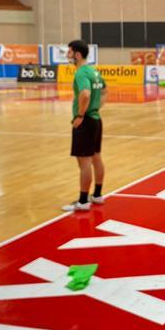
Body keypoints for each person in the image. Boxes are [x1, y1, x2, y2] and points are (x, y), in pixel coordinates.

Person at [63, 40, 106, 212]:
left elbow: (85, 93)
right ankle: (97, 195)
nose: (67, 55)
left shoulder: (81, 73)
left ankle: (82, 201)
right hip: (96, 119)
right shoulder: (94, 71)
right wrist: (96, 108)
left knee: (84, 162)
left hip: (86, 120)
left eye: (69, 52)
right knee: (96, 157)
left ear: (77, 55)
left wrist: (81, 115)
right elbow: (104, 92)